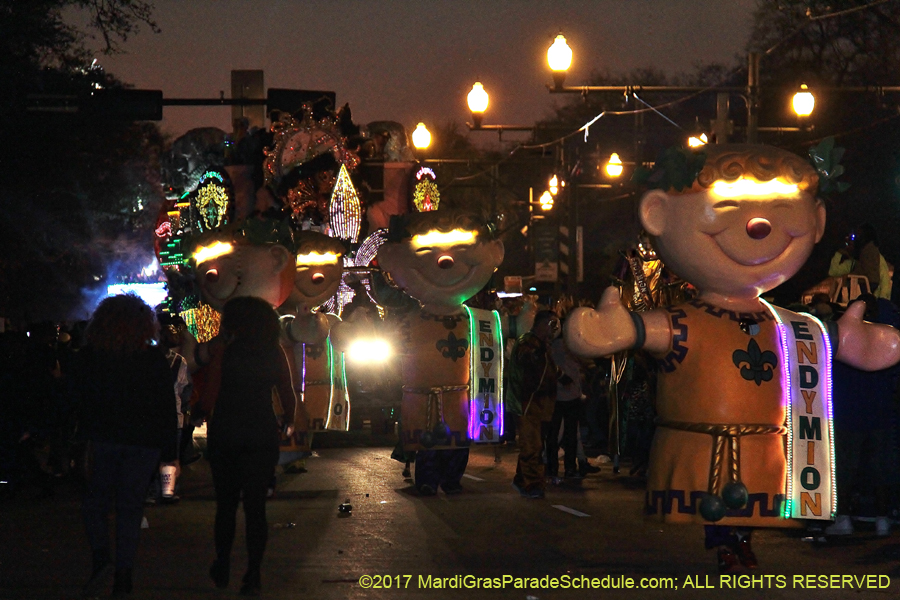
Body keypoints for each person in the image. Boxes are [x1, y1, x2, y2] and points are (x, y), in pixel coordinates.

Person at [565, 143, 900, 571]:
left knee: (752, 504)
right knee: (715, 504)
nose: (759, 224)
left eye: (782, 206)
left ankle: (737, 538)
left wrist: (855, 339)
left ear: (816, 222)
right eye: (728, 205)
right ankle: (728, 539)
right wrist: (612, 328)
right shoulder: (683, 321)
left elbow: (842, 343)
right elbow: (635, 330)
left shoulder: (789, 325)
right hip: (697, 446)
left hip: (764, 445)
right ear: (658, 214)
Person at [74, 295, 178, 597]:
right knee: (130, 509)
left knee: (94, 505)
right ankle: (124, 574)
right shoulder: (152, 359)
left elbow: (76, 400)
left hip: (102, 438)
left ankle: (101, 557)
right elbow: (165, 409)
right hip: (143, 444)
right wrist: (170, 454)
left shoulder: (89, 356)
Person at [203, 296, 297, 596]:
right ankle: (253, 573)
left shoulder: (224, 351)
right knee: (256, 507)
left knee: (226, 506)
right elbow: (287, 391)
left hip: (227, 431)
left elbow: (211, 393)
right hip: (261, 430)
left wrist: (199, 414)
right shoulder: (274, 351)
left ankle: (223, 563)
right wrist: (288, 421)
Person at [508, 310, 560, 499]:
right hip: (526, 401)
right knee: (531, 444)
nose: (553, 329)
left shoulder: (542, 345)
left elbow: (548, 369)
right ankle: (532, 484)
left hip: (541, 403)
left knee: (535, 443)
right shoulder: (527, 342)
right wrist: (540, 350)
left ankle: (522, 479)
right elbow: (527, 359)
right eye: (551, 324)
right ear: (541, 323)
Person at [548, 332, 584, 480]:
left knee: (553, 434)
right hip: (570, 395)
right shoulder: (572, 346)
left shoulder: (550, 346)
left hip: (556, 395)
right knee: (570, 434)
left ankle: (552, 467)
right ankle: (569, 467)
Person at [829, 223, 891, 300]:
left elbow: (883, 277)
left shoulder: (871, 253)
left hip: (867, 285)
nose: (857, 238)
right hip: (867, 284)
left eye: (859, 234)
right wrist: (841, 253)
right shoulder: (862, 254)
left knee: (843, 290)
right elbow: (834, 271)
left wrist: (883, 299)